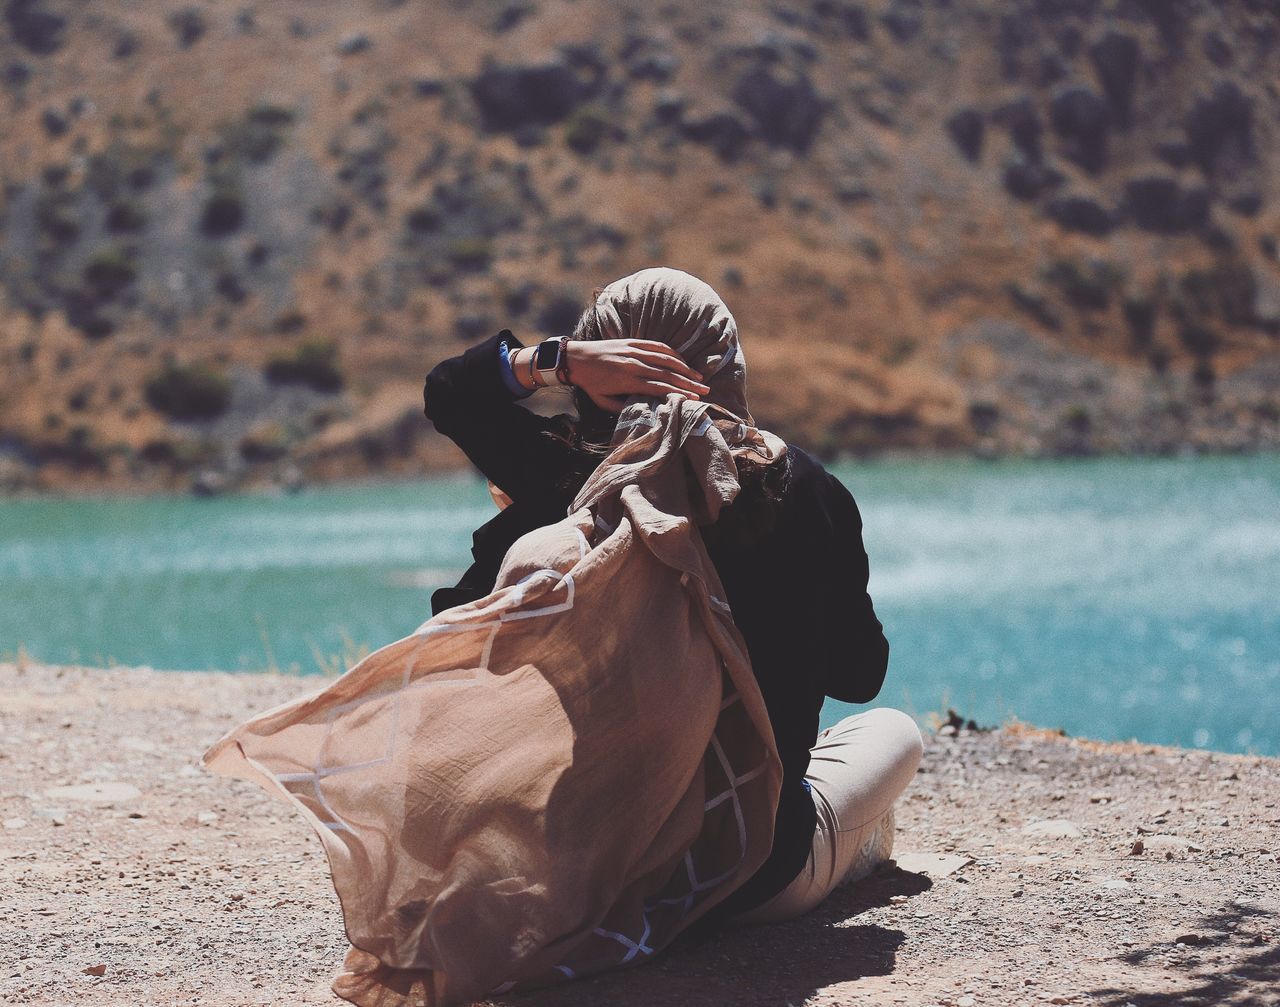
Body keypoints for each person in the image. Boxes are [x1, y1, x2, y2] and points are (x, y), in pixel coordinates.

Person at [422, 266, 924, 926]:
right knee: (893, 732)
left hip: (580, 872)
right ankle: (851, 850)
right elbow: (861, 674)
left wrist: (559, 360)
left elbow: (448, 394)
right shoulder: (804, 488)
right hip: (745, 876)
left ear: (605, 363)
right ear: (725, 363)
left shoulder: (564, 480)